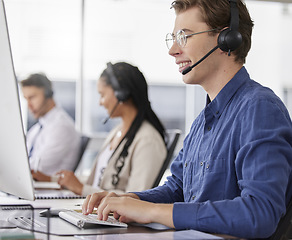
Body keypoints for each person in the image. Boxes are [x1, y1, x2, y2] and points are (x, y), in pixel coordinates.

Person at [82, 0, 292, 239]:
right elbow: (177, 189)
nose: (172, 50)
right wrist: (131, 200)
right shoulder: (202, 121)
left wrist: (152, 211)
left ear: (226, 40)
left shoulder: (260, 109)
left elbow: (259, 213)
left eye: (184, 36)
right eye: (172, 38)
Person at [54, 62, 167, 195]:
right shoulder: (117, 131)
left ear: (122, 94)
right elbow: (98, 181)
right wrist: (55, 179)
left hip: (109, 214)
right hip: (94, 210)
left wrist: (81, 189)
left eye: (102, 95)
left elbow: (136, 198)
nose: (100, 102)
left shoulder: (148, 140)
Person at [21, 73, 81, 179]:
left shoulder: (61, 127)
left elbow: (37, 169)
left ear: (48, 93)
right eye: (26, 99)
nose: (29, 105)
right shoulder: (37, 128)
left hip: (51, 189)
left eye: (32, 98)